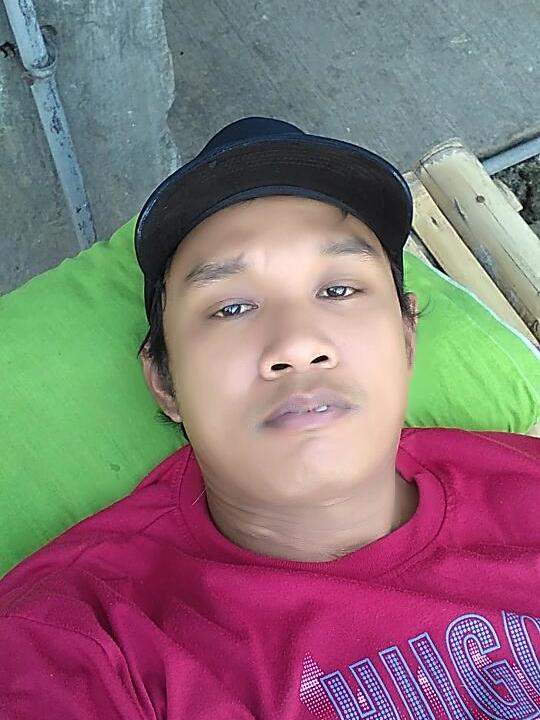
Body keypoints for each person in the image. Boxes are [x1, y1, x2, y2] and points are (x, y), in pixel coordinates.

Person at [0, 117, 538, 720]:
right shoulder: (77, 642)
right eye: (232, 307)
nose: (297, 344)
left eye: (338, 290)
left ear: (407, 339)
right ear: (164, 382)